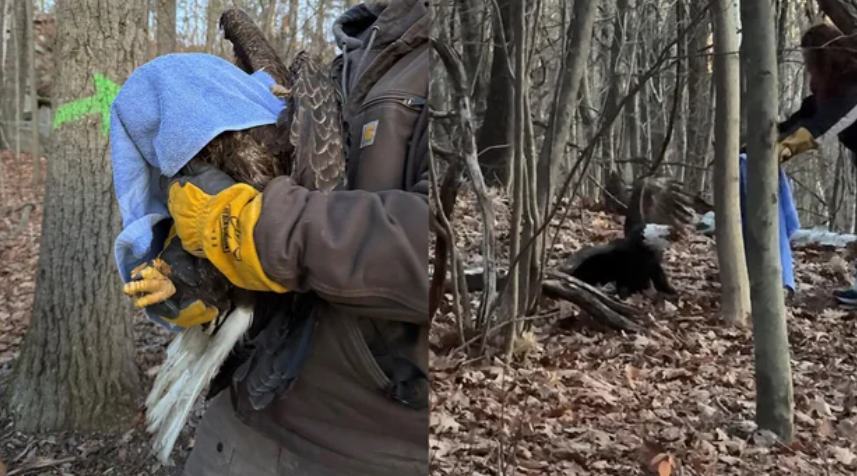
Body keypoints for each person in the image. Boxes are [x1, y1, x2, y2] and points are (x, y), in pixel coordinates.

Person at [129, 1, 428, 474]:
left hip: (350, 446)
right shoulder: (353, 49)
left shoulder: (464, 59)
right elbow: (254, 196)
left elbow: (447, 251)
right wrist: (196, 277)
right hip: (240, 410)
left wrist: (258, 229)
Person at [776, 22, 857, 306]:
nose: (807, 66)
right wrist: (758, 145)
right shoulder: (830, 91)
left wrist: (779, 153)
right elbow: (800, 121)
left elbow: (820, 129)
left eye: (810, 58)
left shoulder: (852, 88)